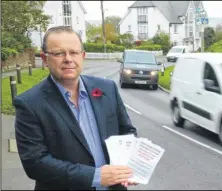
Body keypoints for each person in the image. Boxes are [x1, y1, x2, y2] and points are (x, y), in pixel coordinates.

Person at [14, 26, 138, 190]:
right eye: (59, 53)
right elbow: (35, 163)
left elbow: (127, 131)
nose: (68, 59)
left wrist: (130, 165)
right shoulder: (29, 103)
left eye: (73, 52)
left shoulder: (107, 88)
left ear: (83, 56)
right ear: (44, 59)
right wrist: (96, 176)